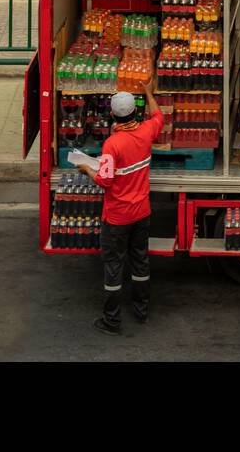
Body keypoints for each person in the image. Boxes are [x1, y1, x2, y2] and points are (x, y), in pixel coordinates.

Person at [78, 76, 164, 336]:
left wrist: (84, 167)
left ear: (113, 117)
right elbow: (159, 116)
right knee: (140, 262)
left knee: (113, 267)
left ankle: (112, 320)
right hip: (142, 212)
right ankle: (141, 310)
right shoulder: (147, 131)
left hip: (117, 217)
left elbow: (104, 180)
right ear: (136, 112)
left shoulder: (112, 144)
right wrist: (149, 92)